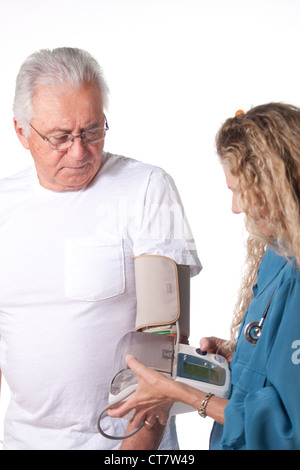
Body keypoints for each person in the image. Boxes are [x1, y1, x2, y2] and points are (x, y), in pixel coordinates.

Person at [0, 47, 201, 450]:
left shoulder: (148, 188)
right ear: (22, 131)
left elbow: (165, 338)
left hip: (123, 440)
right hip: (24, 438)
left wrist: (133, 452)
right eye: (60, 137)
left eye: (92, 131)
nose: (79, 151)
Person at [108, 103, 300, 450]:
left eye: (239, 190)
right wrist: (240, 355)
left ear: (278, 187)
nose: (236, 208)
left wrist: (183, 392)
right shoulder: (276, 256)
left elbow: (288, 427)